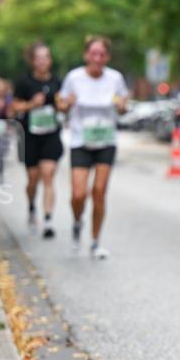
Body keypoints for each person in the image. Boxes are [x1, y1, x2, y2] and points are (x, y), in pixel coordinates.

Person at [58, 36, 128, 260]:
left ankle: (96, 241)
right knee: (79, 194)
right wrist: (66, 104)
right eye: (93, 53)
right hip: (80, 141)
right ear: (86, 55)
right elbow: (60, 104)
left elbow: (124, 106)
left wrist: (121, 105)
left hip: (106, 140)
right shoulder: (74, 78)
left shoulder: (115, 78)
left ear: (107, 57)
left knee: (99, 192)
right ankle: (77, 221)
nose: (97, 58)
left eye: (102, 54)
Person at [13, 42, 64, 238]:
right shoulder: (24, 82)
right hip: (30, 136)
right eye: (39, 57)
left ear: (50, 60)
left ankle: (48, 220)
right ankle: (32, 205)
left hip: (51, 135)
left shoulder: (57, 82)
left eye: (46, 57)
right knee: (33, 180)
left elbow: (63, 104)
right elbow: (14, 107)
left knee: (48, 175)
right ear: (33, 61)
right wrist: (31, 104)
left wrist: (63, 104)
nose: (43, 61)